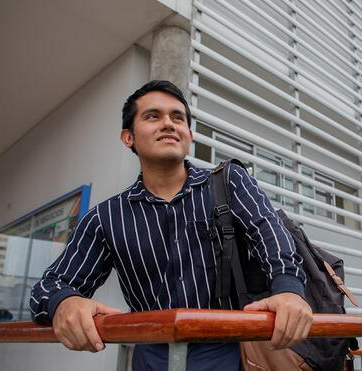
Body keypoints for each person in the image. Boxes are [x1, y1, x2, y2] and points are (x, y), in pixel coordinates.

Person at [30, 80, 312, 370]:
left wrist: (289, 290)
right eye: (153, 116)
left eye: (177, 117)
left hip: (232, 353)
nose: (168, 123)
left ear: (188, 135)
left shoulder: (230, 182)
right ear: (128, 137)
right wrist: (64, 302)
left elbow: (272, 238)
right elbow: (49, 286)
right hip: (150, 359)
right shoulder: (105, 217)